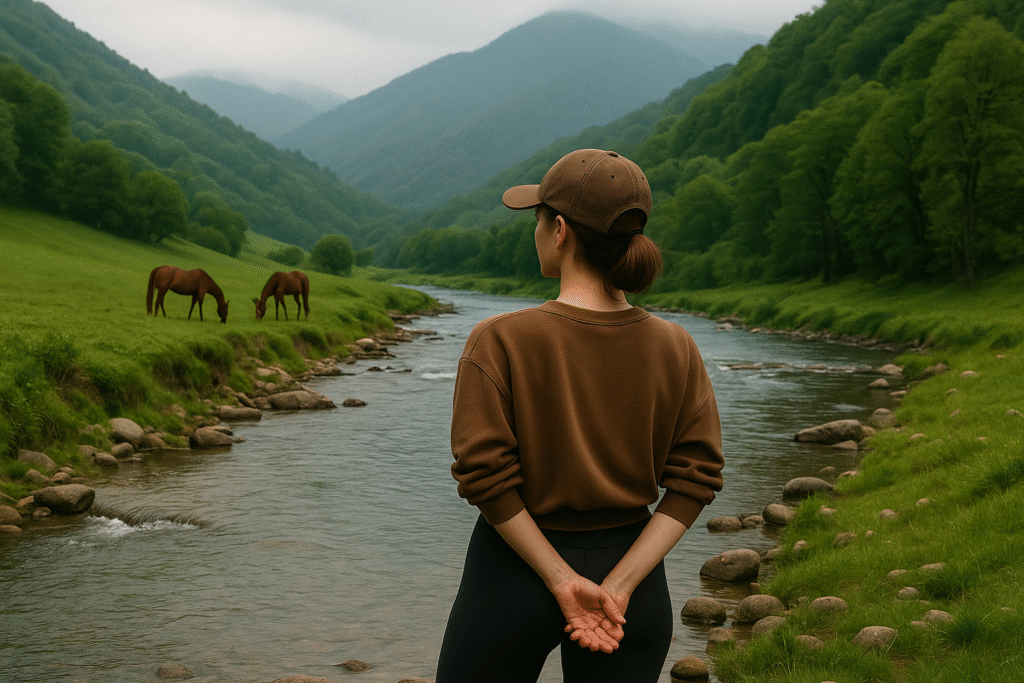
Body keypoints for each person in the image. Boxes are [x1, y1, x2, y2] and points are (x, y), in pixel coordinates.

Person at [435, 149, 725, 683]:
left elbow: (484, 475)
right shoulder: (677, 346)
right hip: (633, 580)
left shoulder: (499, 340)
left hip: (513, 575)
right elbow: (696, 478)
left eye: (538, 219)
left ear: (560, 230)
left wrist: (560, 579)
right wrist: (619, 586)